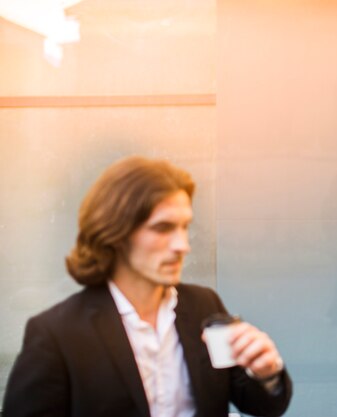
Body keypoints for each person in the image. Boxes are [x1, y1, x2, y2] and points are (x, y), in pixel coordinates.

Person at [3, 156, 292, 417]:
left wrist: (266, 374)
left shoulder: (204, 305)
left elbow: (259, 403)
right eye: (162, 228)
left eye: (184, 227)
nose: (183, 245)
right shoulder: (57, 333)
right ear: (115, 232)